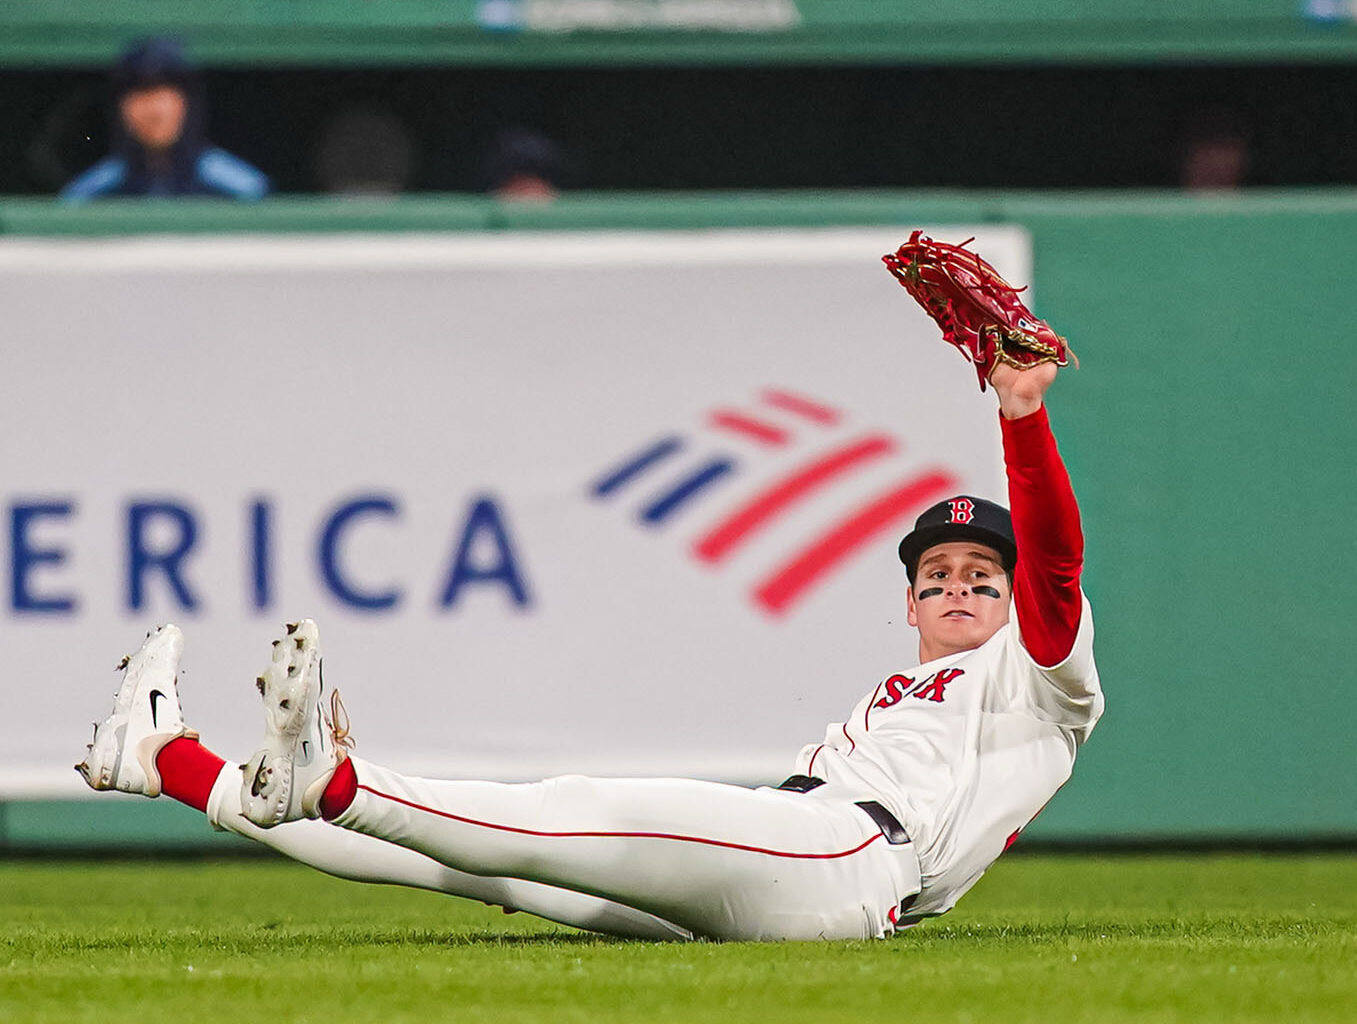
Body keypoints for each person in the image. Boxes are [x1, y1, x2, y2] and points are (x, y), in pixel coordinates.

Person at [78, 353, 1098, 942]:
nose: (959, 586)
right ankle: (165, 760)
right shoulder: (902, 687)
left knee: (574, 807)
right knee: (471, 865)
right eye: (937, 575)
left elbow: (1052, 564)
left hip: (850, 861)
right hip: (796, 858)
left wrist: (1023, 416)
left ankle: (333, 780)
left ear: (1015, 600)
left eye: (981, 576)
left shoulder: (1041, 675)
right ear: (908, 602)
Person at [60, 36, 268, 202]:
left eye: (164, 93)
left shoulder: (241, 191)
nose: (154, 110)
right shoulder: (93, 195)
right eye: (141, 94)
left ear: (187, 103)